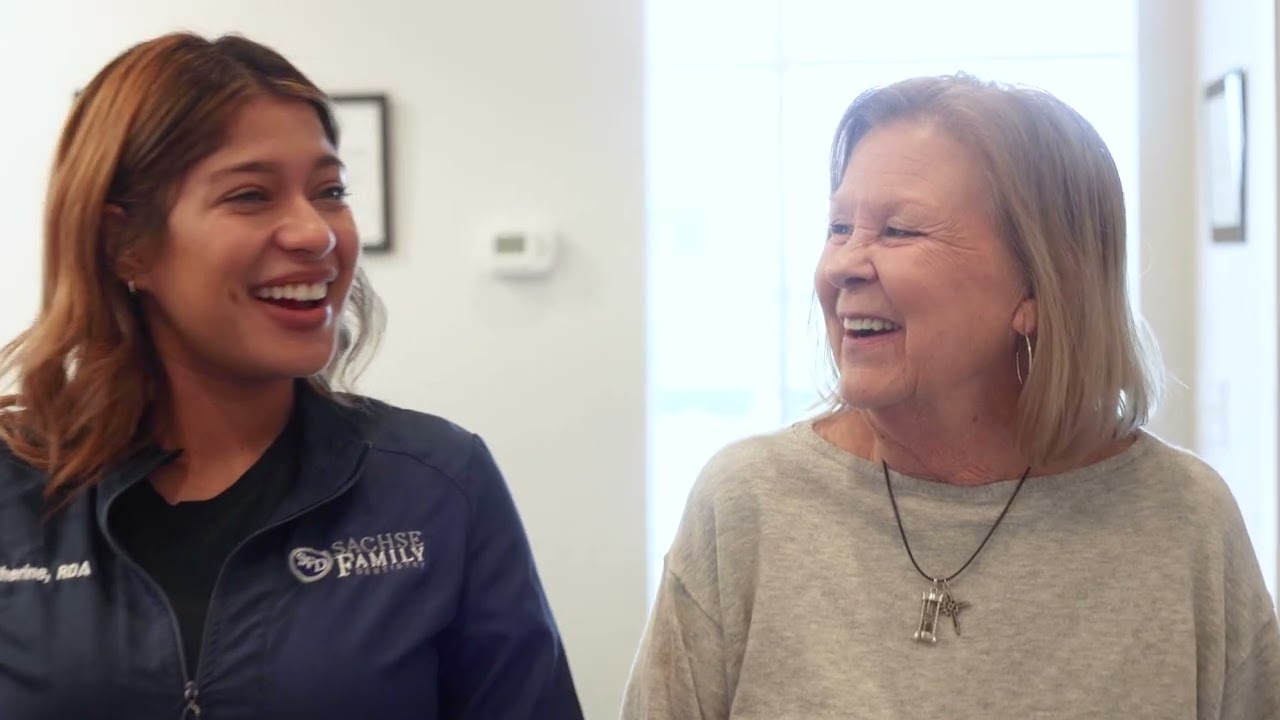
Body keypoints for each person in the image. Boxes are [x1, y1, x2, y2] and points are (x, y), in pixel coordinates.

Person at [622, 74, 1279, 718]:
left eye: (898, 231)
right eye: (839, 227)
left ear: (1037, 288)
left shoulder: (1185, 523)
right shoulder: (746, 504)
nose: (842, 265)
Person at [0, 32, 583, 719]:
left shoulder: (436, 484)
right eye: (250, 195)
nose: (316, 233)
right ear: (125, 243)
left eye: (329, 190)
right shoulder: (15, 487)